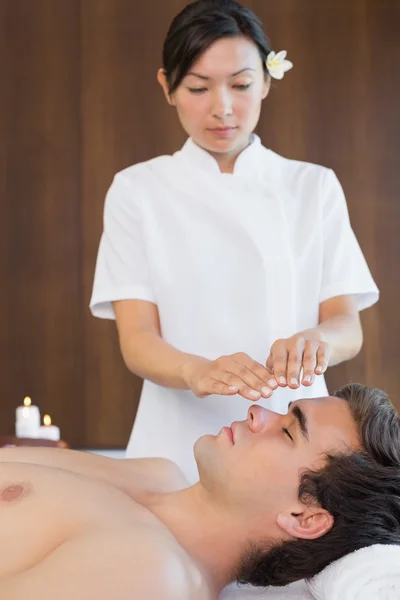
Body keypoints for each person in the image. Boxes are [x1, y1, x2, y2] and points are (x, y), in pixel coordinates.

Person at [89, 0, 379, 482]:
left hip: (288, 438)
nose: (222, 107)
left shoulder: (312, 186)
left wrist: (316, 341)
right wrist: (197, 372)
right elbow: (137, 339)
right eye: (199, 87)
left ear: (266, 79)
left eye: (241, 85)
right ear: (168, 87)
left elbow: (347, 325)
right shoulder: (138, 190)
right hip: (175, 440)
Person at [0, 384, 399, 600]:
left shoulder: (153, 576)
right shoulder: (158, 475)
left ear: (304, 517)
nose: (258, 412)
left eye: (288, 430)